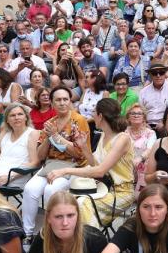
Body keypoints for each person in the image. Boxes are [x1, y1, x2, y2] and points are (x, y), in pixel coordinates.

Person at [49, 98, 136, 230]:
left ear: (100, 116)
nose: (92, 116)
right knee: (69, 202)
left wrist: (65, 170)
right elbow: (95, 165)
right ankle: (81, 237)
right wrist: (84, 147)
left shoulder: (122, 138)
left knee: (84, 205)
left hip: (122, 192)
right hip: (104, 188)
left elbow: (100, 171)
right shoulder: (103, 135)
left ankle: (89, 242)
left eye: (94, 112)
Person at [22, 85, 90, 239]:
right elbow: (40, 156)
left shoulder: (79, 120)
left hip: (74, 166)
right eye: (58, 100)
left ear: (70, 101)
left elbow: (79, 153)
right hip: (51, 165)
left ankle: (50, 234)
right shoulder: (50, 122)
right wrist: (48, 137)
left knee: (50, 191)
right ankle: (28, 233)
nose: (62, 103)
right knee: (29, 189)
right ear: (52, 103)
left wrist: (57, 137)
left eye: (65, 99)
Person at [0, 103, 39, 187]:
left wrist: (10, 176)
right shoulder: (5, 133)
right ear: (7, 120)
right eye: (12, 115)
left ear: (26, 117)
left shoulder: (32, 133)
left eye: (20, 114)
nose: (16, 118)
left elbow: (34, 163)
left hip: (14, 176)